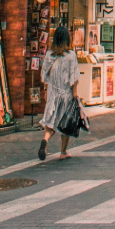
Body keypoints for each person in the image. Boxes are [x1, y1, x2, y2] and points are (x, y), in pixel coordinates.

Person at [38, 26, 80, 161]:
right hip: (65, 94)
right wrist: (75, 94)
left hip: (52, 92)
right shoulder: (71, 56)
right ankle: (63, 151)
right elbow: (74, 77)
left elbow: (44, 74)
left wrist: (45, 91)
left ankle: (45, 139)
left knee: (50, 120)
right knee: (65, 122)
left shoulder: (49, 54)